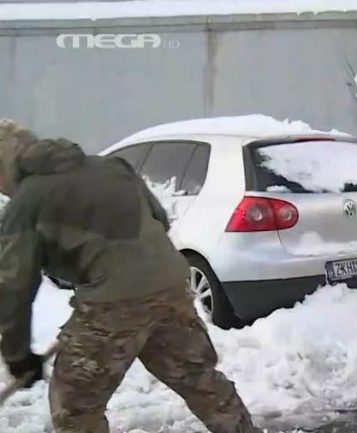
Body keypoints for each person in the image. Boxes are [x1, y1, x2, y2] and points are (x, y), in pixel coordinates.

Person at [0, 119, 256, 433]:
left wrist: (17, 354)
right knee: (200, 380)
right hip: (171, 284)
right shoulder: (111, 167)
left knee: (75, 406)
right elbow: (159, 219)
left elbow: (14, 285)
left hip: (112, 303)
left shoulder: (26, 203)